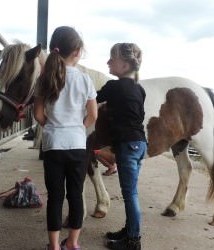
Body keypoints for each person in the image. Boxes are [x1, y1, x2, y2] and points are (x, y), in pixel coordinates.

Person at [33, 26, 98, 250]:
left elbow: (38, 114)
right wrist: (79, 127)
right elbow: (93, 115)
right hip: (77, 145)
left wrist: (51, 126)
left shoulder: (44, 79)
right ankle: (72, 243)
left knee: (55, 197)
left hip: (53, 145)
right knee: (76, 195)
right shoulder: (85, 80)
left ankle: (53, 246)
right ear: (77, 51)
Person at [96, 43, 147, 250]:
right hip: (140, 144)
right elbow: (140, 115)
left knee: (130, 194)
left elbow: (92, 99)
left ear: (125, 65)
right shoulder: (139, 89)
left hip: (127, 145)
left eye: (112, 58)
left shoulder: (113, 87)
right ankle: (129, 231)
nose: (108, 61)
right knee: (131, 192)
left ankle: (133, 241)